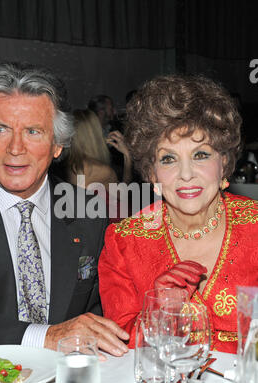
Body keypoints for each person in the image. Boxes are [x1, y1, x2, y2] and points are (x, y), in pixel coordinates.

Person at [0, 62, 129, 355]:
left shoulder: (87, 212)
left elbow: (101, 308)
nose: (15, 147)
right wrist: (43, 336)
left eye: (33, 132)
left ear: (58, 145)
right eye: (1, 129)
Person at [98, 74, 258, 354]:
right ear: (151, 172)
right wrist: (159, 311)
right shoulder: (124, 242)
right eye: (168, 159)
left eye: (200, 155)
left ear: (224, 162)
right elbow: (120, 347)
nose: (186, 175)